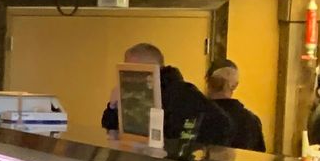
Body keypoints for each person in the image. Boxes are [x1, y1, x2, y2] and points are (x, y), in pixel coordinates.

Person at [97, 41, 231, 147]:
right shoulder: (134, 92)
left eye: (133, 71)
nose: (129, 78)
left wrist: (184, 149)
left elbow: (223, 124)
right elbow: (111, 126)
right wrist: (113, 106)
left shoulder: (183, 93)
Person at [205, 59, 266, 152]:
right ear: (235, 85)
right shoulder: (251, 121)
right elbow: (259, 157)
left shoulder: (197, 115)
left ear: (208, 80)